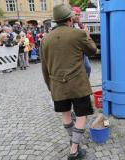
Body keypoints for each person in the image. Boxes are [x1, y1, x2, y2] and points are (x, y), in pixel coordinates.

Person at [39, 4, 97, 160]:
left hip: (57, 85)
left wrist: (51, 87)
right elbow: (93, 51)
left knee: (66, 116)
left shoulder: (45, 39)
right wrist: (87, 35)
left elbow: (44, 68)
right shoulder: (78, 34)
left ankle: (74, 144)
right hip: (78, 84)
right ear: (70, 18)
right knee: (81, 115)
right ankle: (73, 149)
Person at [72, 6, 92, 78]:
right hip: (74, 51)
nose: (77, 16)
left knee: (88, 68)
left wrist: (86, 34)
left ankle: (85, 83)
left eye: (78, 14)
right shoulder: (70, 25)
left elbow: (85, 37)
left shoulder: (80, 25)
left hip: (82, 51)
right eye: (75, 14)